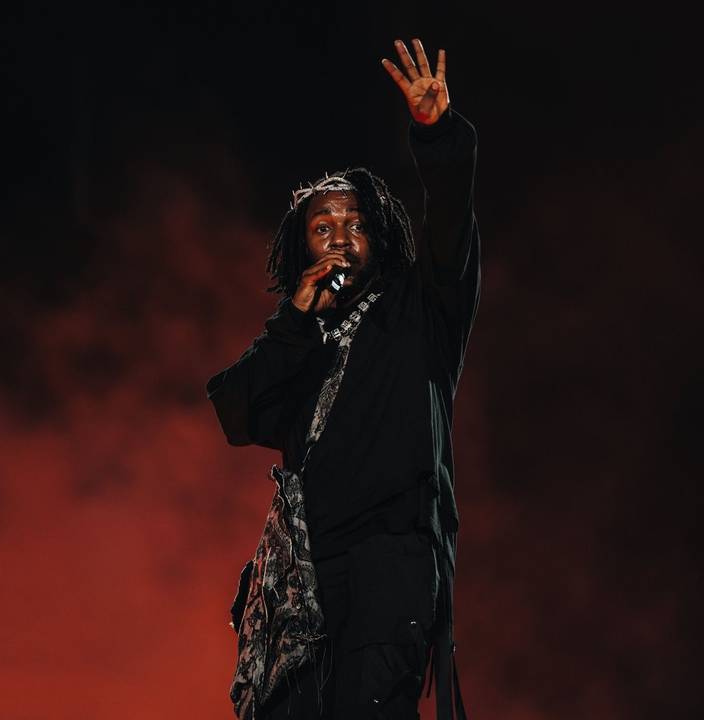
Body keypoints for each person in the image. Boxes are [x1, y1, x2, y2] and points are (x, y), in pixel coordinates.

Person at [206, 37, 480, 720]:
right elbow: (236, 411)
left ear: (378, 236)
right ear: (300, 248)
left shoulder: (421, 312)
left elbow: (451, 222)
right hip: (305, 583)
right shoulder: (300, 344)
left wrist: (436, 135)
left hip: (388, 564)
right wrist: (295, 320)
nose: (338, 236)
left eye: (355, 224)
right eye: (322, 226)